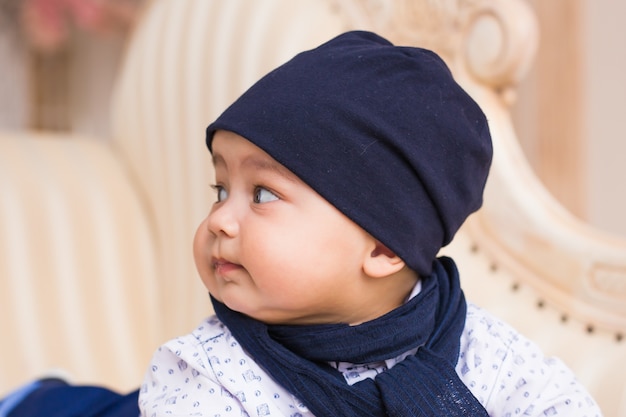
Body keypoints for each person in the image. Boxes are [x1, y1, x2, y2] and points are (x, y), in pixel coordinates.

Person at [0, 30, 602, 417]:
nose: (220, 221)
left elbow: (558, 405)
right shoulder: (210, 371)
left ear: (384, 246)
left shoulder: (473, 346)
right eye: (220, 188)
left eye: (261, 193)